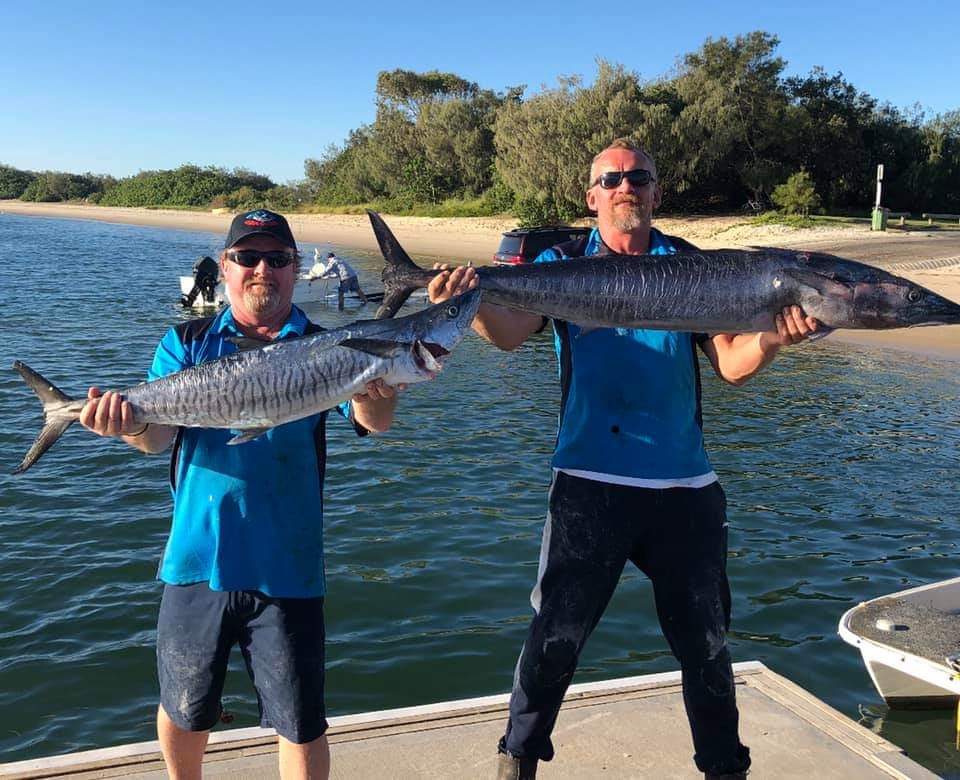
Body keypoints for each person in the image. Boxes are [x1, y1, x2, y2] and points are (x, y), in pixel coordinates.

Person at [427, 139, 819, 780]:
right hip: (590, 479)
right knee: (554, 638)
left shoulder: (699, 266)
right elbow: (505, 334)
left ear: (657, 193)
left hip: (685, 486)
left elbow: (729, 364)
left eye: (638, 177)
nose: (624, 187)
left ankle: (725, 768)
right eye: (610, 179)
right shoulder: (558, 262)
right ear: (592, 197)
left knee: (707, 647)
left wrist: (774, 335)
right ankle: (517, 761)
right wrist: (459, 301)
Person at [79, 209, 403, 780]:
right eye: (247, 257)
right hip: (196, 560)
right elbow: (156, 440)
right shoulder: (186, 342)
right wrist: (126, 424)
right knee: (185, 707)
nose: (262, 270)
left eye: (276, 259)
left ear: (296, 269)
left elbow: (372, 421)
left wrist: (377, 387)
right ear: (225, 267)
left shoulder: (329, 345)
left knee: (301, 721)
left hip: (290, 566)